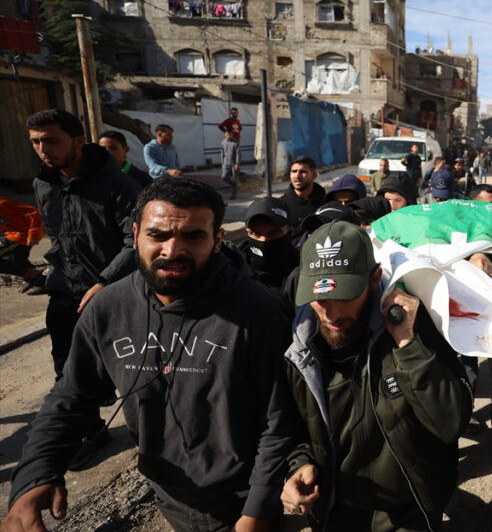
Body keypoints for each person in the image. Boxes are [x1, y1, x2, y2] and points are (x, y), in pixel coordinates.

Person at [3, 178, 294, 532]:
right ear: (136, 234)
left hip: (244, 503)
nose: (172, 250)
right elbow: (71, 396)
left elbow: (280, 420)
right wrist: (35, 475)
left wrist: (257, 511)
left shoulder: (261, 312)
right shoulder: (108, 308)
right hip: (169, 498)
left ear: (218, 240)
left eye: (194, 236)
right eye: (157, 235)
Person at [279, 221, 472, 531]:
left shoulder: (413, 327)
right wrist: (298, 464)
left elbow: (451, 423)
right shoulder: (299, 349)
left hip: (407, 514)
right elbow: (290, 427)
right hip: (333, 513)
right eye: (320, 298)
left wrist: (408, 345)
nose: (332, 314)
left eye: (345, 296)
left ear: (374, 279)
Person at [27, 110, 141, 394]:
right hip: (65, 295)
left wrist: (104, 282)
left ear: (79, 140)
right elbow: (58, 238)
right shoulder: (43, 184)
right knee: (67, 376)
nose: (43, 149)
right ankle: (80, 419)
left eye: (52, 141)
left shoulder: (119, 185)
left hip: (113, 297)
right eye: (36, 142)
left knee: (127, 377)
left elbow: (137, 242)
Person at [242, 196, 298, 291]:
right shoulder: (232, 273)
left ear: (289, 231)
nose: (264, 240)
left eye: (274, 233)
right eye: (255, 233)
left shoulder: (304, 273)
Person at [0, 196, 45, 294]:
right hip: (11, 234)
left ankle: (30, 274)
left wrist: (32, 235)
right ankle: (44, 283)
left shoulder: (1, 204)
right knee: (17, 259)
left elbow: (33, 212)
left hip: (22, 236)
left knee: (15, 260)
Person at [280, 156, 326, 231]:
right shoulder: (281, 205)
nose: (297, 176)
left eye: (303, 172)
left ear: (314, 175)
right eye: (294, 171)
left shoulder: (325, 202)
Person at [220, 129, 240, 199]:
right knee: (224, 176)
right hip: (226, 163)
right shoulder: (222, 143)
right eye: (227, 134)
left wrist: (237, 163)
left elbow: (238, 154)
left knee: (235, 178)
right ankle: (234, 184)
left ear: (232, 135)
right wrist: (222, 163)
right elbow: (222, 153)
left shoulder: (235, 142)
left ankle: (234, 195)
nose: (228, 136)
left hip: (234, 164)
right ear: (225, 135)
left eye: (230, 134)